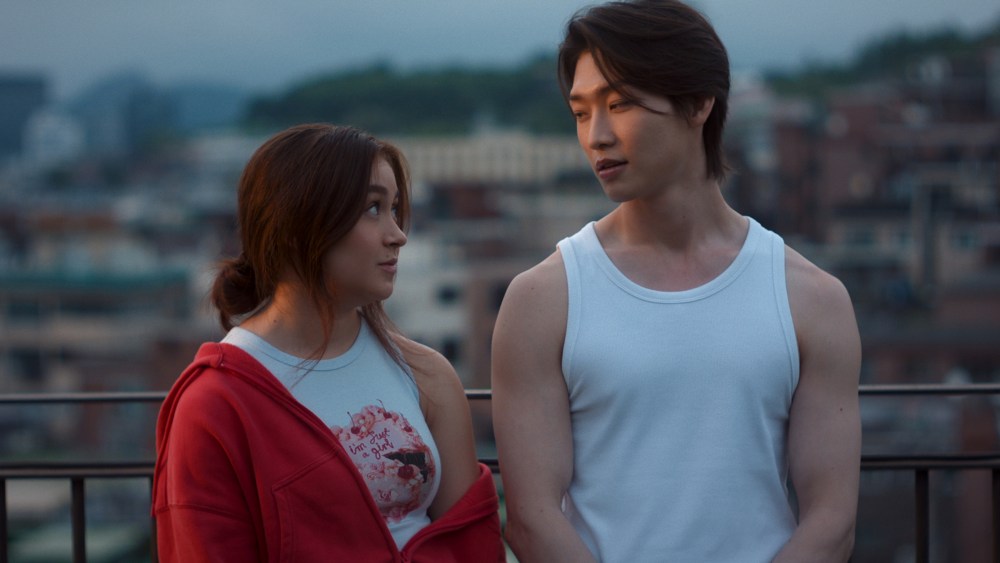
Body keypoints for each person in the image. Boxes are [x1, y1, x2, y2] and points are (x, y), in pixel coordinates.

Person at [491, 1, 862, 561]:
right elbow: (530, 520)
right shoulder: (543, 299)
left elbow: (832, 521)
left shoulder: (811, 298)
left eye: (619, 104)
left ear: (698, 102)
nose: (596, 136)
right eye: (581, 113)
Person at [152, 123, 504, 562]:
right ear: (298, 223)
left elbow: (472, 541)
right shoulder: (215, 402)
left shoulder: (425, 374)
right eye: (373, 208)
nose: (397, 234)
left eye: (395, 209)